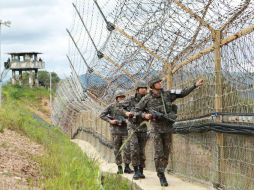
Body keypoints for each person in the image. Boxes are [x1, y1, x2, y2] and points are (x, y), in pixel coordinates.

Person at [134, 75, 204, 186]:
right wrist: (145, 115)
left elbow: (182, 93)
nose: (160, 83)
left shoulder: (167, 94)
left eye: (160, 82)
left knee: (166, 153)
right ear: (153, 85)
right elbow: (136, 111)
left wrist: (194, 85)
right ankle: (161, 174)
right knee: (158, 152)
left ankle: (162, 169)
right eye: (158, 82)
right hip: (156, 129)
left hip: (167, 128)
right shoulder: (146, 99)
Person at [119, 81, 148, 180]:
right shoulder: (130, 100)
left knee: (142, 150)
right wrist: (126, 113)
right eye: (142, 87)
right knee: (134, 149)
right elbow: (119, 107)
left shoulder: (148, 99)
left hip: (143, 127)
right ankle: (135, 171)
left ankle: (141, 170)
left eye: (145, 87)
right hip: (132, 126)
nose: (144, 89)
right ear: (137, 89)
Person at [100, 90, 134, 174]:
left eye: (123, 97)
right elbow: (102, 115)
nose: (122, 98)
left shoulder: (127, 106)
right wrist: (110, 121)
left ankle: (127, 167)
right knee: (117, 150)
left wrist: (127, 120)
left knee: (127, 149)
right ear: (117, 98)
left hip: (125, 131)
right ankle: (119, 167)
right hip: (115, 131)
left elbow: (132, 115)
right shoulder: (111, 106)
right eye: (120, 97)